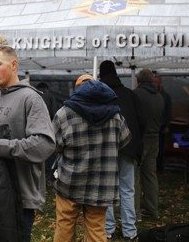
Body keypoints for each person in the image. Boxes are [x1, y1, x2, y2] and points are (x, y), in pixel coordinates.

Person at [0, 44, 55, 242]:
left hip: (21, 196)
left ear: (14, 65)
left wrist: (1, 147)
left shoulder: (31, 99)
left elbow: (44, 144)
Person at [52, 75, 131, 242]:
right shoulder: (115, 116)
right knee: (96, 228)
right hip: (102, 185)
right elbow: (124, 141)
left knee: (65, 226)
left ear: (77, 90)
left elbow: (54, 145)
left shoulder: (64, 114)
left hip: (70, 183)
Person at [99, 60, 142, 241]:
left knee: (107, 190)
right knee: (128, 190)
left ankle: (108, 230)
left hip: (106, 149)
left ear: (101, 75)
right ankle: (129, 232)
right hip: (129, 148)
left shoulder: (100, 96)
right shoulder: (130, 95)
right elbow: (142, 122)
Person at [133, 69, 164, 220]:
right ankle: (153, 210)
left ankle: (135, 212)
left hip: (141, 140)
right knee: (150, 175)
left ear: (139, 81)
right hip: (155, 138)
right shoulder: (159, 96)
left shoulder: (137, 95)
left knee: (135, 176)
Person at [153, 73, 172, 171]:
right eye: (153, 82)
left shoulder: (165, 96)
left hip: (161, 125)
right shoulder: (151, 95)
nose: (154, 84)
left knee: (161, 146)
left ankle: (160, 166)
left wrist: (166, 125)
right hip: (152, 126)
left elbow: (168, 111)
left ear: (160, 83)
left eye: (156, 82)